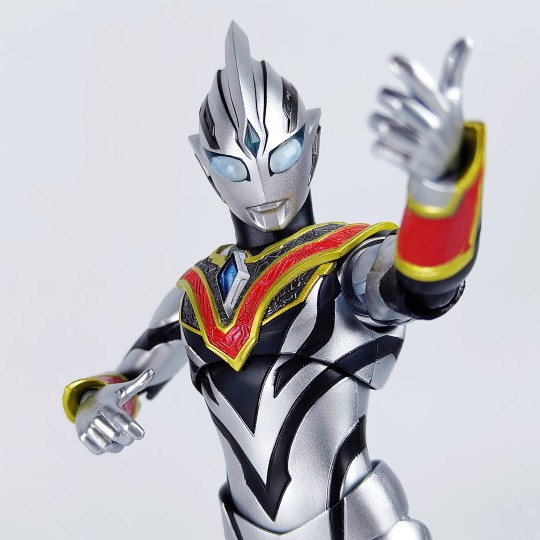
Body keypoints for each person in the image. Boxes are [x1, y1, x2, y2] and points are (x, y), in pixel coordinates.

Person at [63, 22, 484, 540]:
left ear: (313, 141)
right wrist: (95, 405)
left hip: (359, 526)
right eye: (233, 167)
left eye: (281, 155)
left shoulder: (346, 262)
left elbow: (421, 281)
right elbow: (127, 380)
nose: (262, 183)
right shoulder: (197, 293)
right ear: (205, 166)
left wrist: (441, 192)